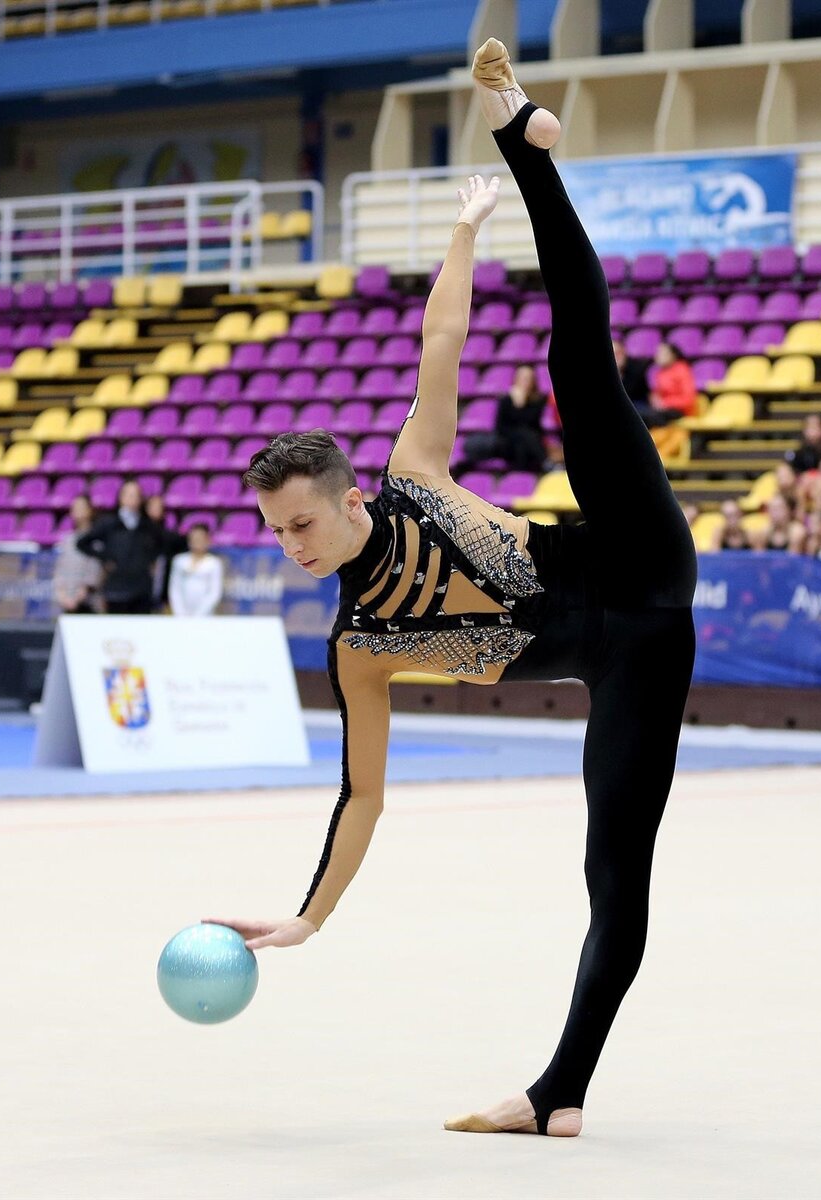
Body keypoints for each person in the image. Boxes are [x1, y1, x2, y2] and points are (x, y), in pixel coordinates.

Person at [209, 43, 697, 1141]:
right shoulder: (357, 647)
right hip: (637, 657)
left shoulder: (412, 474)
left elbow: (445, 336)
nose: (289, 545)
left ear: (342, 501)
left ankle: (524, 147)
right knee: (613, 876)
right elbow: (364, 796)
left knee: (581, 364)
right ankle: (560, 1092)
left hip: (634, 549)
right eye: (273, 532)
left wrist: (469, 228)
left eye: (298, 523)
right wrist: (308, 918)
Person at [76, 479, 163, 614]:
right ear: (121, 497)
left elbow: (162, 544)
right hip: (116, 588)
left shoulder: (147, 525)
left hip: (142, 589)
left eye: (136, 495)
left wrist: (151, 560)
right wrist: (105, 558)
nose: (132, 499)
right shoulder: (109, 522)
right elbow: (82, 543)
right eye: (129, 494)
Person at [461, 362, 548, 472]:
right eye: (521, 377)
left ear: (533, 381)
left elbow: (532, 424)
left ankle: (527, 472)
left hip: (527, 442)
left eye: (527, 378)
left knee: (525, 437)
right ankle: (545, 463)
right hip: (508, 441)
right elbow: (501, 427)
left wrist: (519, 405)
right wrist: (517, 404)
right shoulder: (506, 399)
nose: (524, 381)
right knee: (522, 437)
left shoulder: (538, 400)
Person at [52, 495, 103, 614]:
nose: (77, 510)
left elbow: (95, 570)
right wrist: (62, 594)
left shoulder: (96, 539)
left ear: (90, 510)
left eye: (81, 507)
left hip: (89, 604)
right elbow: (60, 568)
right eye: (75, 507)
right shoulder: (68, 540)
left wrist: (81, 595)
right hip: (67, 601)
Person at [168, 524, 224, 616]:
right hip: (181, 615)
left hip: (205, 616)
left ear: (207, 541)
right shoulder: (179, 561)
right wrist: (180, 613)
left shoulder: (214, 563)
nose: (196, 542)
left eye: (200, 539)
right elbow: (174, 589)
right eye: (193, 538)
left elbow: (214, 593)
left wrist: (199, 615)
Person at [145, 493, 187, 612]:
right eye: (152, 506)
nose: (155, 509)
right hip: (140, 588)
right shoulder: (137, 532)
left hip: (164, 586)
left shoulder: (170, 536)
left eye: (159, 506)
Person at [648, 341, 698, 420]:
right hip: (663, 410)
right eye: (657, 353)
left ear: (673, 355)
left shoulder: (682, 370)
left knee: (650, 417)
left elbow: (688, 399)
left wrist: (665, 403)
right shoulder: (659, 372)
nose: (657, 356)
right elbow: (656, 393)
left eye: (662, 353)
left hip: (680, 411)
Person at [612, 338, 652, 413]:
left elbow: (631, 393)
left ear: (624, 352)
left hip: (636, 404)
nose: (616, 357)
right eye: (613, 354)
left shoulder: (637, 368)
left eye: (619, 353)